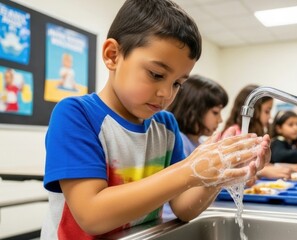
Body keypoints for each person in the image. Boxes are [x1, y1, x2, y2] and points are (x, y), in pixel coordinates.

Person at [42, 1, 271, 239]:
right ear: (113, 56)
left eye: (177, 83)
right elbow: (92, 215)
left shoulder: (166, 126)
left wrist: (217, 174)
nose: (167, 94)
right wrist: (188, 170)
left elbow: (184, 208)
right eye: (156, 74)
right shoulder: (76, 114)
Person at [223, 85, 297, 180]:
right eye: (267, 111)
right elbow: (228, 170)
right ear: (253, 111)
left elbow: (257, 164)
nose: (270, 117)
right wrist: (263, 172)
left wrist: (286, 167)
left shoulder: (251, 134)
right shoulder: (234, 133)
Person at [167, 74, 228, 156]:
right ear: (194, 110)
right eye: (215, 112)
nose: (220, 120)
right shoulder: (180, 142)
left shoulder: (200, 143)